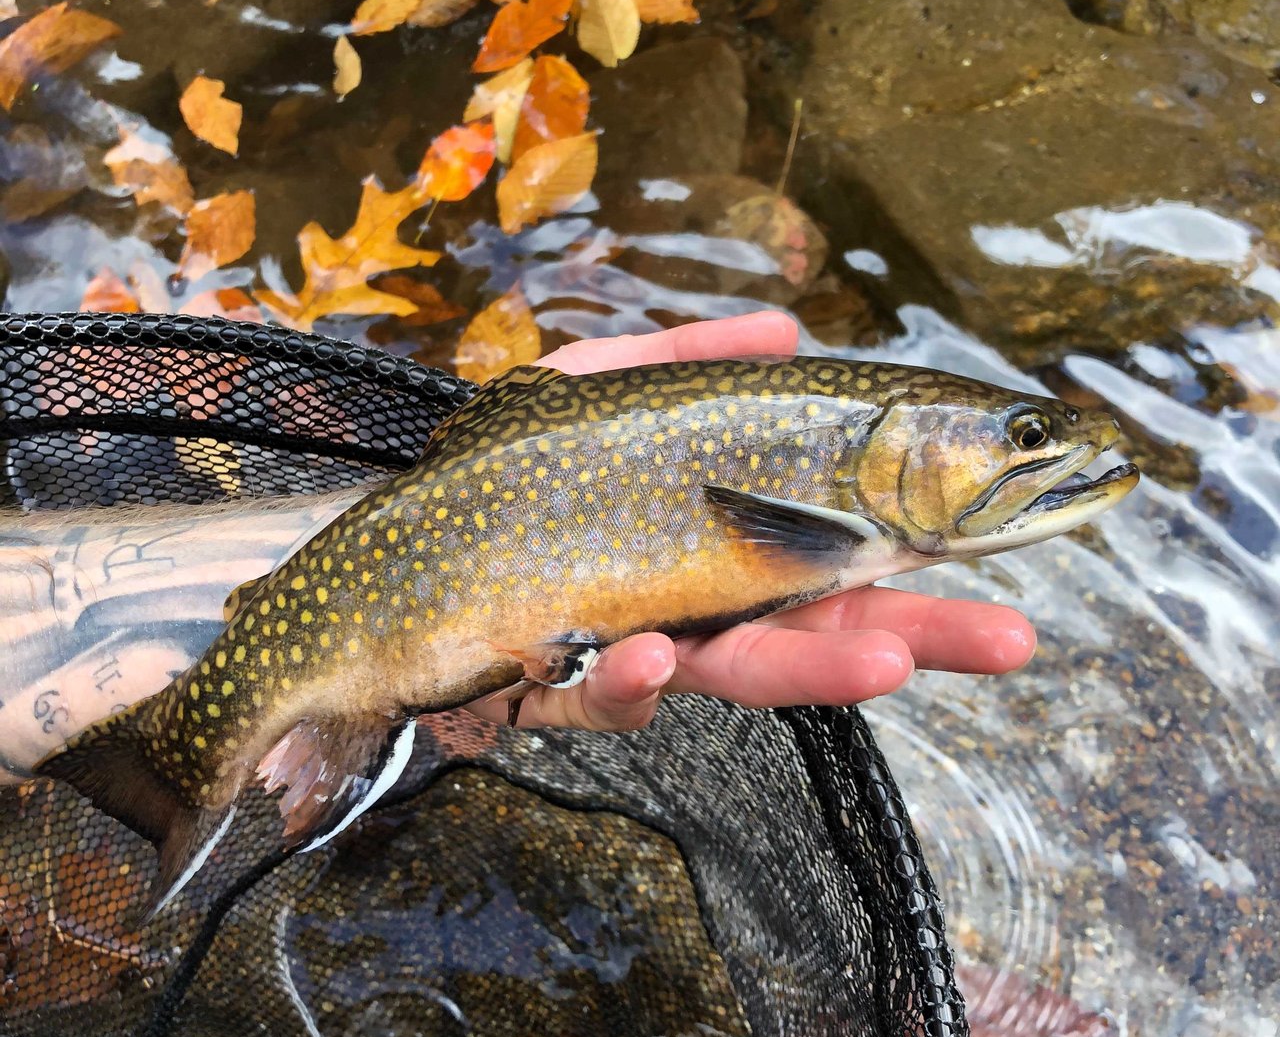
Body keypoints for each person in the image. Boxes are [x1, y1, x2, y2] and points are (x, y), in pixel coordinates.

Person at [0, 310, 1034, 780]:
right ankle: (167, 765)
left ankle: (168, 758)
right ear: (898, 436)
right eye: (1024, 441)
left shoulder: (836, 504)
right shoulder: (834, 521)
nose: (1030, 458)